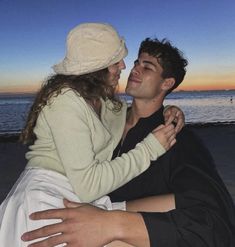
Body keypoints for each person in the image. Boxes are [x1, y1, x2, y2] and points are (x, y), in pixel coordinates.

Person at [22, 38, 235, 247]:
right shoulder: (104, 117)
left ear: (167, 83)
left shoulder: (176, 138)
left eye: (147, 67)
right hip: (69, 210)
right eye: (136, 62)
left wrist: (113, 223)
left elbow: (211, 216)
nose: (134, 69)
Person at [0, 23, 184, 246]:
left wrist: (168, 109)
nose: (124, 66)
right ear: (98, 66)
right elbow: (88, 185)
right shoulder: (64, 101)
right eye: (116, 61)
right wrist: (150, 148)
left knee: (177, 203)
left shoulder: (104, 102)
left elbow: (130, 112)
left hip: (83, 197)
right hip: (49, 200)